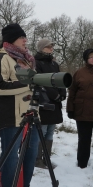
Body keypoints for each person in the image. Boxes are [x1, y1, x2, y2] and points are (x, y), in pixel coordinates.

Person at [0, 23, 38, 187]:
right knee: (10, 156)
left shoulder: (27, 60)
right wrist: (28, 84)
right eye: (21, 37)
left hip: (30, 114)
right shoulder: (1, 59)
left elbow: (35, 86)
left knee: (30, 154)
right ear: (10, 40)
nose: (25, 40)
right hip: (9, 115)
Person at [34, 38, 66, 169]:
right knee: (43, 129)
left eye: (52, 46)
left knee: (51, 131)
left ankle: (47, 159)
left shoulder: (54, 64)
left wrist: (63, 93)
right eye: (48, 47)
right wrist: (55, 95)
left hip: (55, 103)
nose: (51, 48)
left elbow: (60, 79)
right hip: (44, 101)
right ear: (41, 48)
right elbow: (41, 82)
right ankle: (37, 159)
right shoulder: (37, 63)